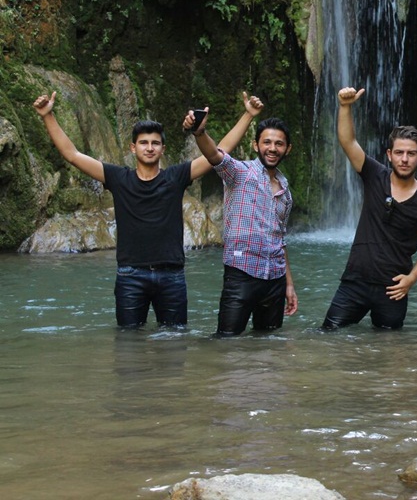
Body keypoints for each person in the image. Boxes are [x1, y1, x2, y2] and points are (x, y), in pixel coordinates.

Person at [32, 91, 262, 329]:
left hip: (171, 275)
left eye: (155, 143)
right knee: (128, 345)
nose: (149, 148)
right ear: (133, 148)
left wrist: (248, 115)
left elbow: (220, 153)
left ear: (163, 149)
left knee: (174, 342)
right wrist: (48, 115)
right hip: (130, 276)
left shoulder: (176, 177)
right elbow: (72, 155)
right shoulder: (118, 178)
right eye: (143, 143)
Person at [321, 86, 417, 330]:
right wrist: (345, 107)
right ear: (389, 154)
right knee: (327, 334)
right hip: (355, 280)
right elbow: (348, 141)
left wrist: (411, 279)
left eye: (411, 153)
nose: (404, 159)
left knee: (389, 347)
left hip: (393, 288)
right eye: (399, 152)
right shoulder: (374, 175)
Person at [188, 109, 298, 336]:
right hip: (241, 274)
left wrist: (288, 284)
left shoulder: (285, 190)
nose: (273, 148)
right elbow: (214, 155)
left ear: (287, 149)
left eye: (279, 143)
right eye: (266, 142)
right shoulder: (240, 173)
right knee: (226, 341)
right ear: (255, 145)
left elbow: (281, 239)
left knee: (268, 343)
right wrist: (200, 133)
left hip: (274, 279)